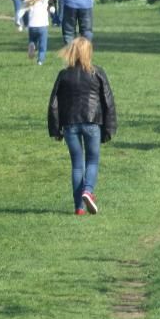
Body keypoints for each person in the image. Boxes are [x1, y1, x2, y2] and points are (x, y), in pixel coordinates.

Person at [48, 37, 117, 215]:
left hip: (70, 124)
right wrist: (109, 129)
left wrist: (55, 129)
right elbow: (108, 101)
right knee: (92, 160)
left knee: (77, 165)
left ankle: (79, 207)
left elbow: (54, 103)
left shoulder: (64, 75)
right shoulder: (98, 73)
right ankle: (88, 190)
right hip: (93, 122)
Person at [18, 0, 51, 65]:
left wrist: (19, 22)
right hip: (43, 26)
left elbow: (20, 13)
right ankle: (40, 61)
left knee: (32, 40)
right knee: (42, 46)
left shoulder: (29, 2)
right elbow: (51, 9)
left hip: (32, 26)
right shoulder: (45, 1)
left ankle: (32, 45)